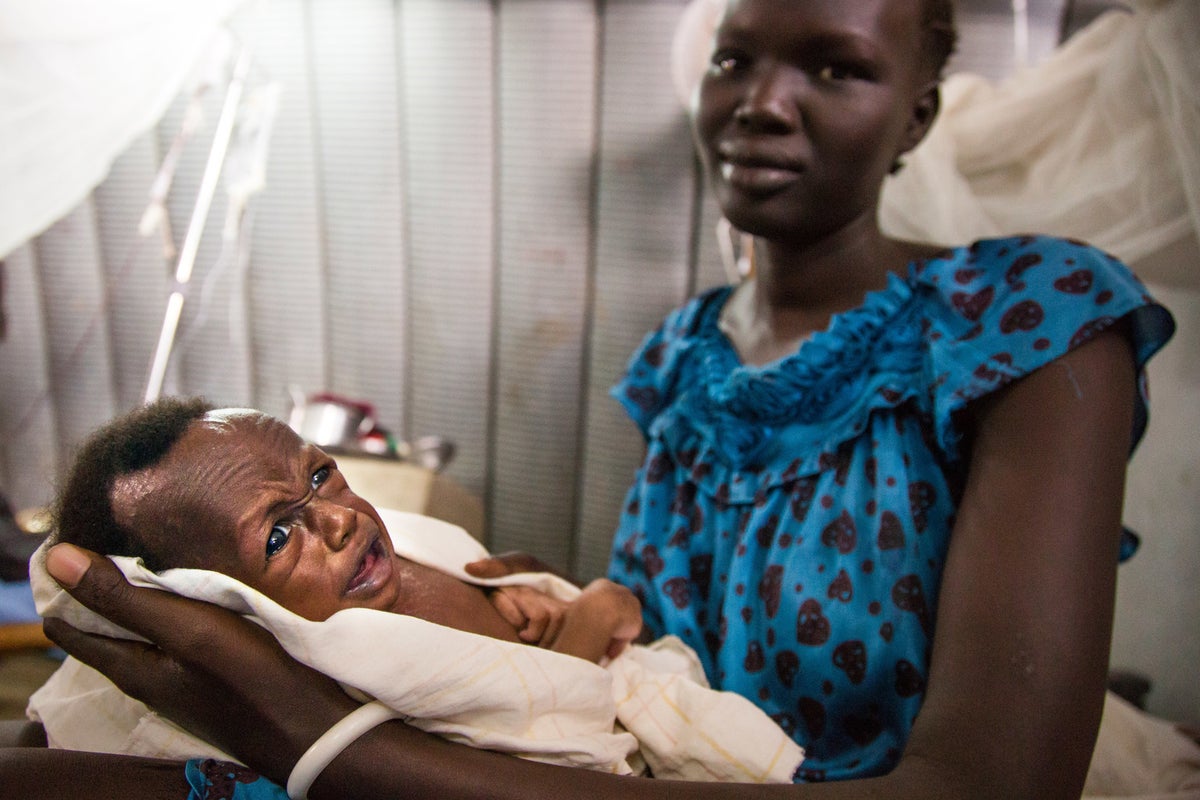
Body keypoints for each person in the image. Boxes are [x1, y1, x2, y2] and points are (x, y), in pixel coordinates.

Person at [2, 0, 1182, 798]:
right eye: (737, 57)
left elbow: (982, 788)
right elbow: (646, 636)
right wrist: (520, 599)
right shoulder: (685, 358)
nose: (763, 103)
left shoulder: (1027, 320)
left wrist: (326, 740)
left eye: (836, 66)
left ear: (917, 112)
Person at [43, 396, 639, 663]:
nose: (340, 520)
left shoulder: (369, 566)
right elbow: (545, 721)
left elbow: (471, 585)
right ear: (217, 604)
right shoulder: (346, 667)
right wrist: (595, 613)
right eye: (278, 537)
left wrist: (513, 595)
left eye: (321, 475)